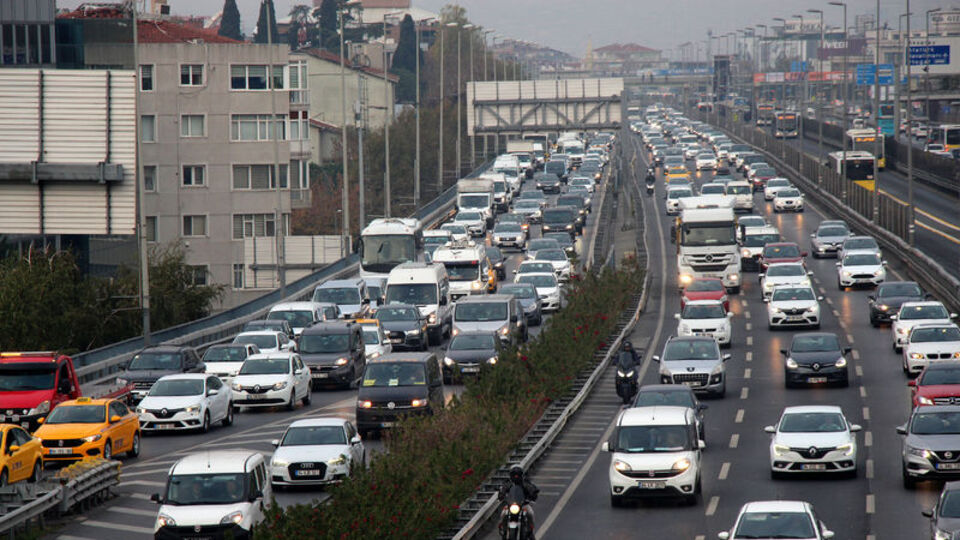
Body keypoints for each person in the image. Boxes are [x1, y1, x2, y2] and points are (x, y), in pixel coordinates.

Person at [498, 465, 539, 539]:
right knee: (503, 514)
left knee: (530, 513)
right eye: (514, 475)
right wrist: (501, 495)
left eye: (517, 475)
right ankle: (503, 529)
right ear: (511, 475)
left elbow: (532, 488)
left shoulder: (525, 483)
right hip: (511, 504)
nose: (516, 477)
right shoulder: (508, 483)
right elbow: (503, 489)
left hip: (523, 504)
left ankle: (530, 531)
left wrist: (533, 494)